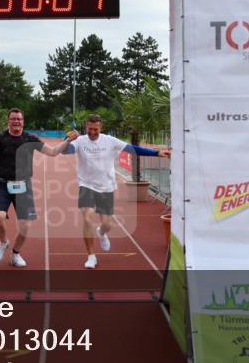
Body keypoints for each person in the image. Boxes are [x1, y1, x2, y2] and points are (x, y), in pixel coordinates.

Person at [0, 108, 75, 268]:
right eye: (13, 119)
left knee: (25, 226)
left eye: (19, 119)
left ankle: (15, 253)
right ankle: (4, 242)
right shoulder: (0, 138)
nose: (16, 121)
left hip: (23, 185)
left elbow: (53, 152)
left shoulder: (30, 139)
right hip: (3, 185)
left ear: (23, 121)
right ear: (9, 121)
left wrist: (67, 141)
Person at [65, 114, 170, 269]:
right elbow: (65, 151)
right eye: (90, 129)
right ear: (86, 127)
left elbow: (132, 149)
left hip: (106, 187)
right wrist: (66, 139)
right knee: (87, 219)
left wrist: (155, 153)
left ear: (101, 128)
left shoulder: (110, 141)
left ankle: (102, 232)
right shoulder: (80, 141)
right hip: (86, 185)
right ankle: (91, 256)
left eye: (95, 129)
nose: (92, 132)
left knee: (107, 224)